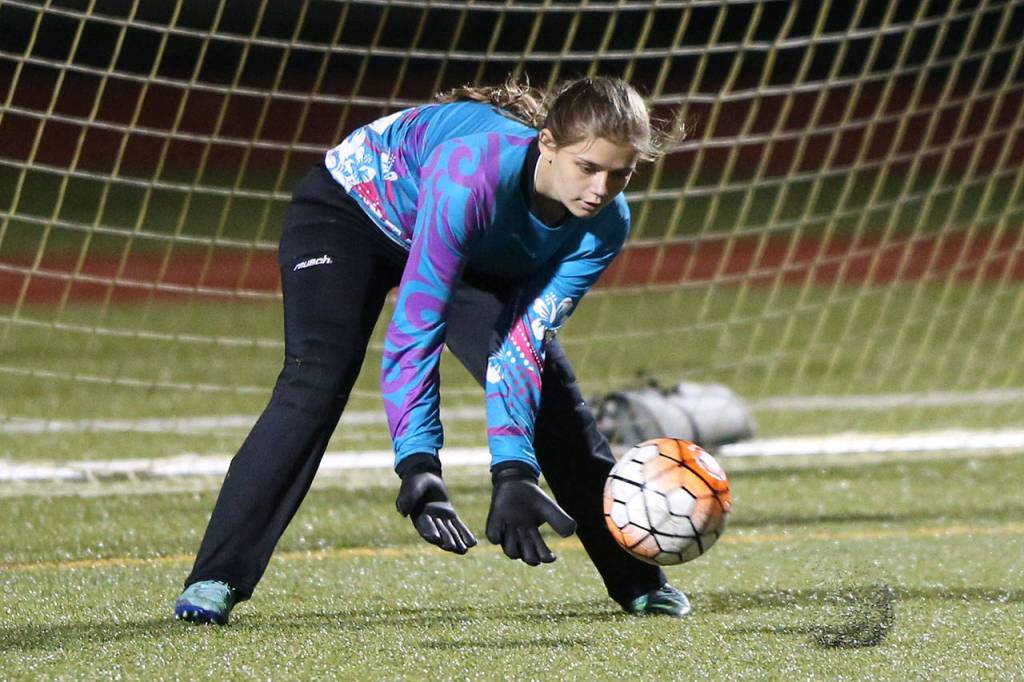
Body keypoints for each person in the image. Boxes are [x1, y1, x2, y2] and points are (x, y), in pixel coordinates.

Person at [174, 76, 690, 625]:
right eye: (587, 168)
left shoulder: (605, 225)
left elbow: (521, 346)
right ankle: (217, 576)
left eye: (621, 173)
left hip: (470, 242)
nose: (600, 188)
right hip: (353, 211)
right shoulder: (471, 176)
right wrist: (419, 464)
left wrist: (515, 472)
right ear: (547, 144)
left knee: (556, 402)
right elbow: (416, 326)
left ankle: (638, 580)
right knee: (315, 380)